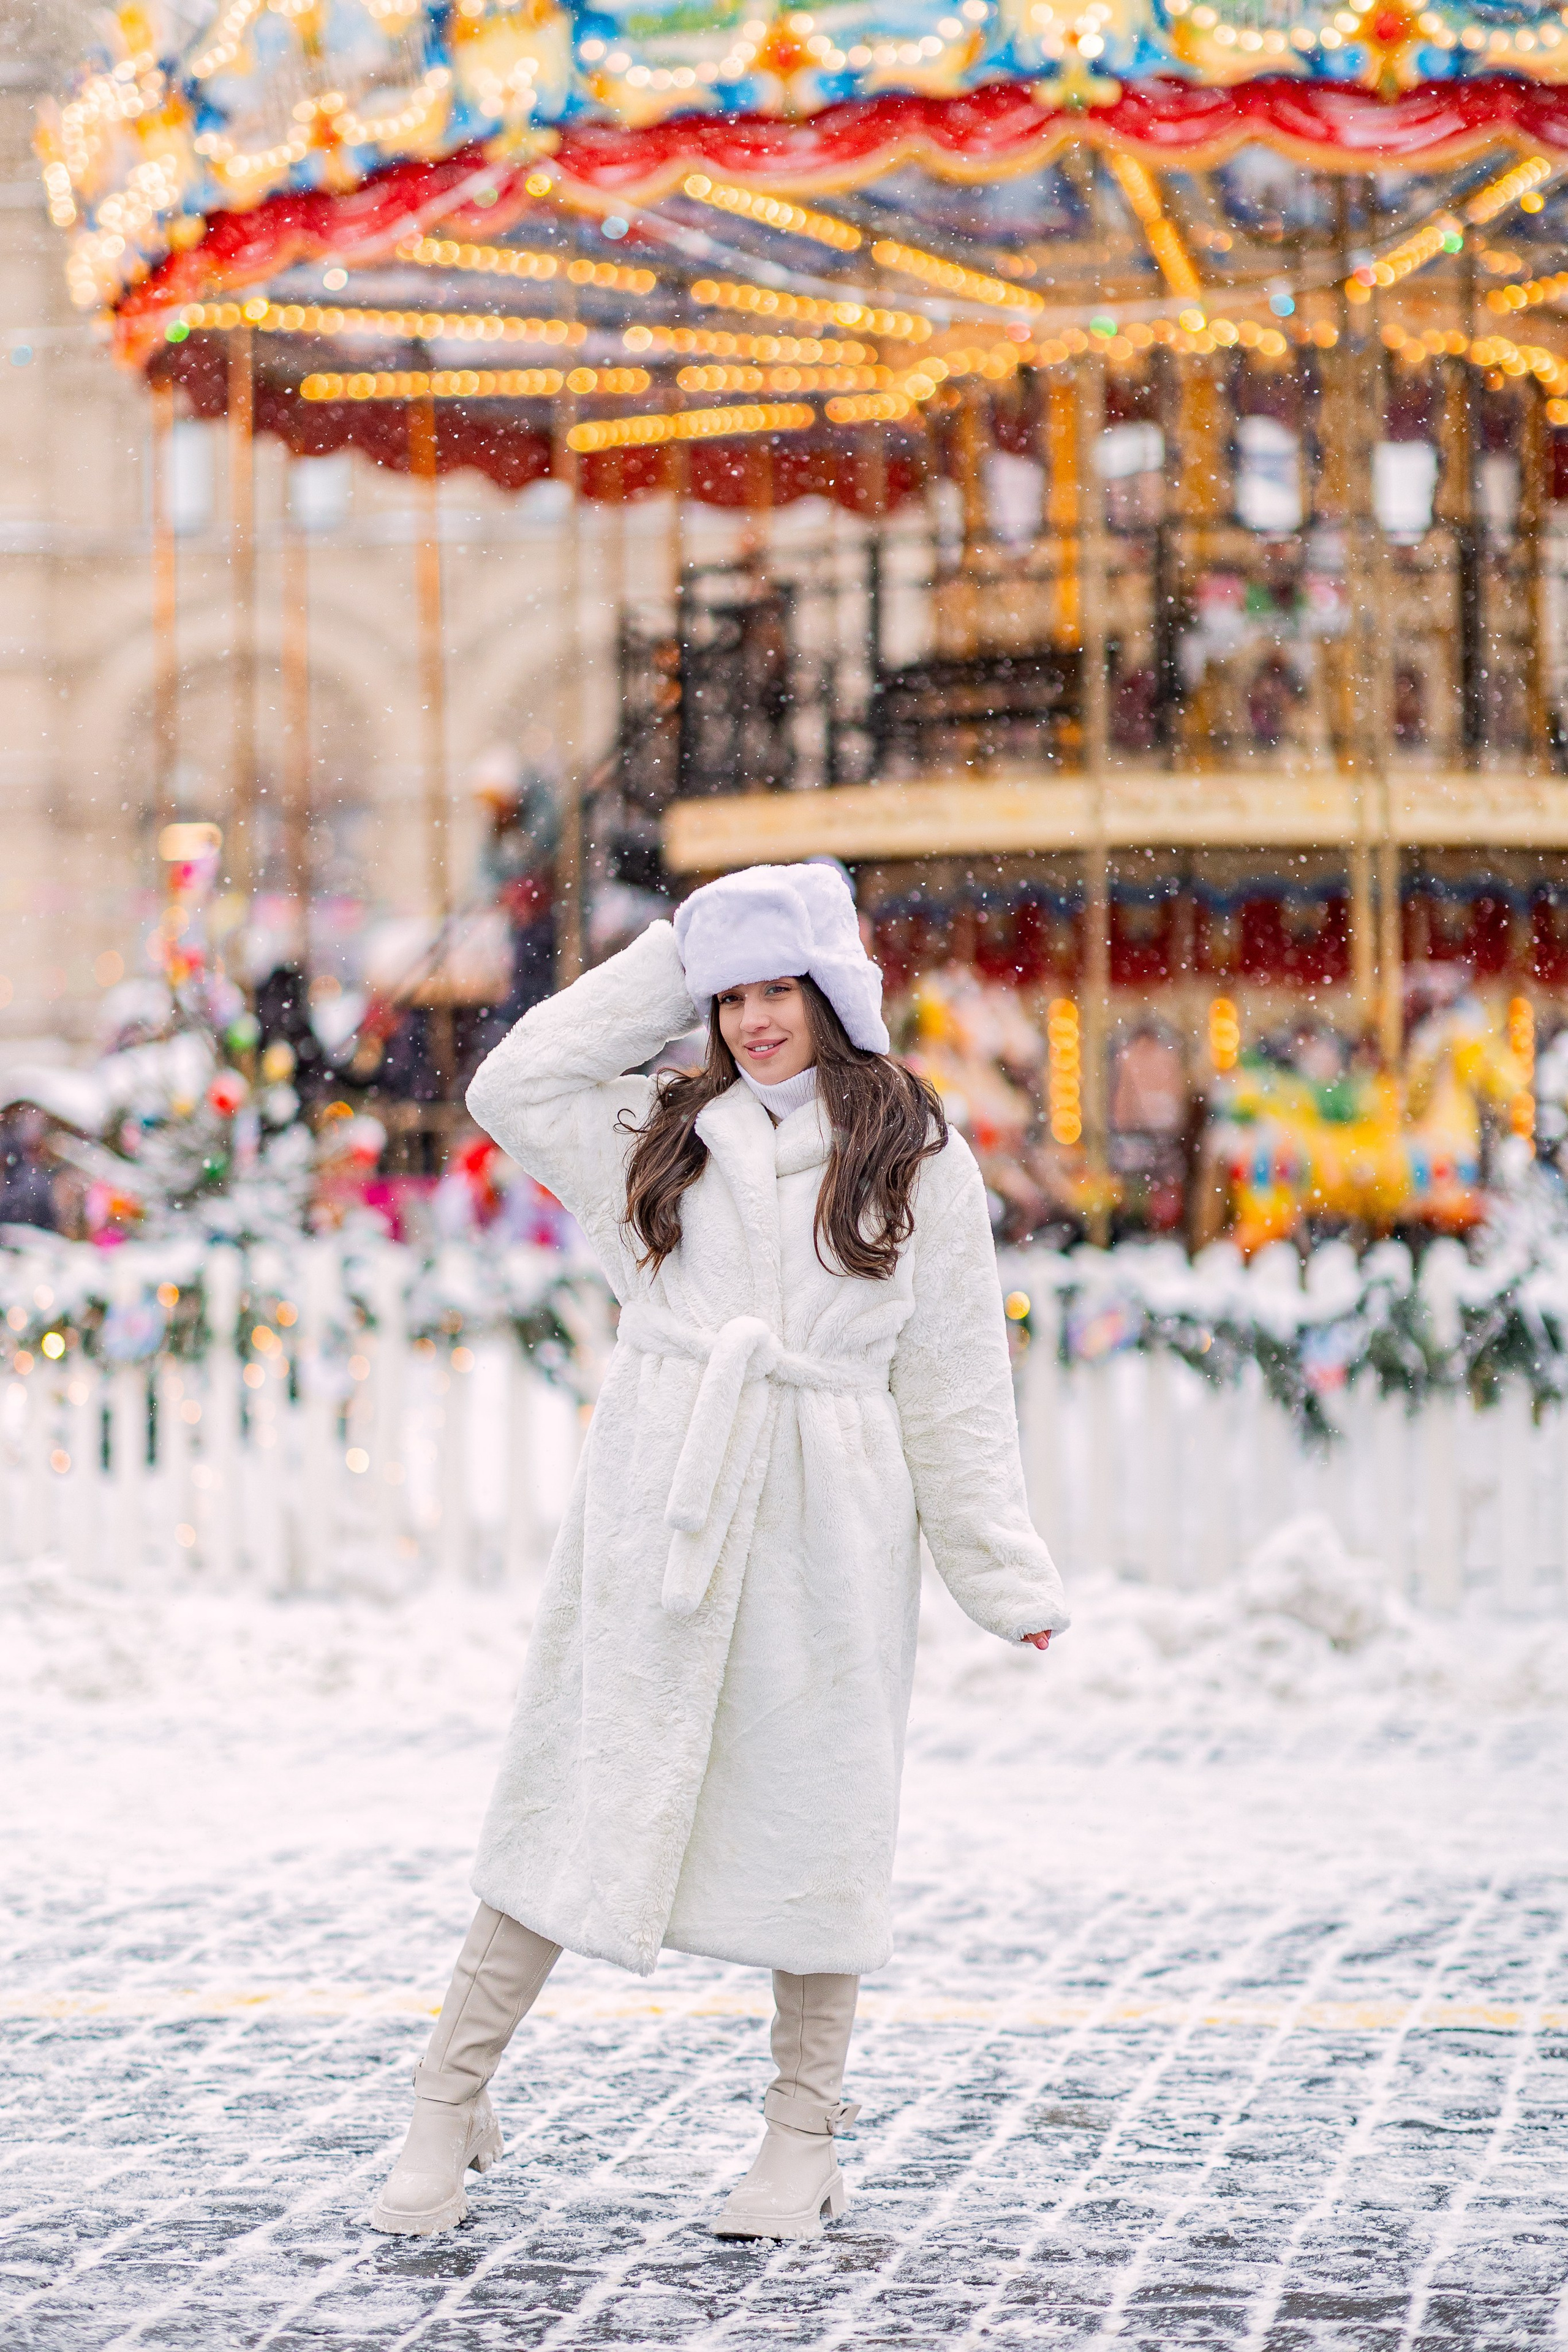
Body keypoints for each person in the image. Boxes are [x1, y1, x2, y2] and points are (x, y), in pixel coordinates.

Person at [369, 862, 1068, 2244]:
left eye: (776, 986)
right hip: (665, 1497)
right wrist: (673, 954)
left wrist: (999, 1569)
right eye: (730, 993)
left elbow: (949, 1382)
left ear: (830, 992)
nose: (752, 1020)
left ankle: (800, 2139)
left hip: (827, 1515)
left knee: (818, 1823)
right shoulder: (657, 1134)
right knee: (577, 1793)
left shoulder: (917, 1155)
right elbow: (509, 1083)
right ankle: (446, 2099)